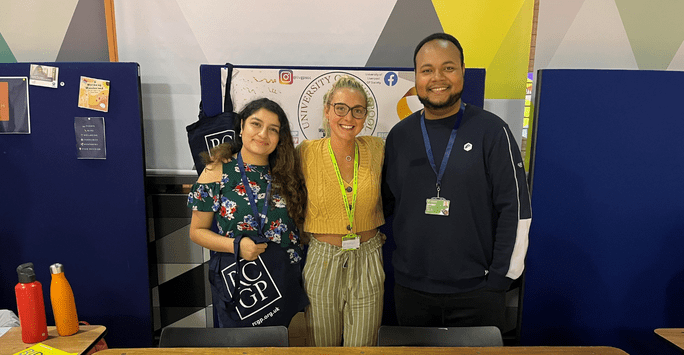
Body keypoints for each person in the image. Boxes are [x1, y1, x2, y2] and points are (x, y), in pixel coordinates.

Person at [382, 33, 532, 331]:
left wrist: (500, 279)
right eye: (427, 70)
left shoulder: (492, 131)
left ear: (463, 71)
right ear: (417, 77)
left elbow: (515, 211)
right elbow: (386, 205)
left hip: (478, 292)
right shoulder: (400, 136)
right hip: (412, 292)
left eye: (448, 68)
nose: (437, 78)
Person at [187, 98, 308, 327]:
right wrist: (236, 246)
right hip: (243, 285)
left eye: (273, 129)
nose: (263, 134)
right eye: (256, 124)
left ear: (280, 138)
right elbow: (196, 232)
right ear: (241, 127)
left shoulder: (288, 172)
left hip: (286, 283)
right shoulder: (217, 170)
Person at [298, 76, 385, 346]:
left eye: (358, 110)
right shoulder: (305, 152)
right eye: (340, 108)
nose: (349, 117)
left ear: (365, 116)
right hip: (323, 260)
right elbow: (262, 163)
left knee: (364, 346)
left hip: (368, 257)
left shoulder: (377, 148)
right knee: (322, 345)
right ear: (327, 110)